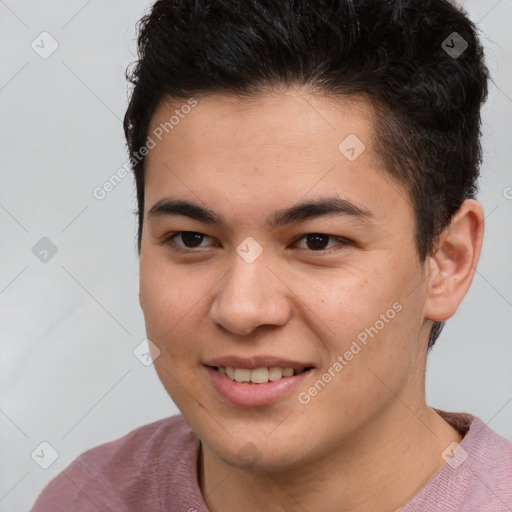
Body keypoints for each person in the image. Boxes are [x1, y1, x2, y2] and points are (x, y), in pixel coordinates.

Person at [31, 0, 512, 510]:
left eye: (317, 241)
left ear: (447, 260)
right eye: (192, 238)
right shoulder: (85, 497)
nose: (241, 309)